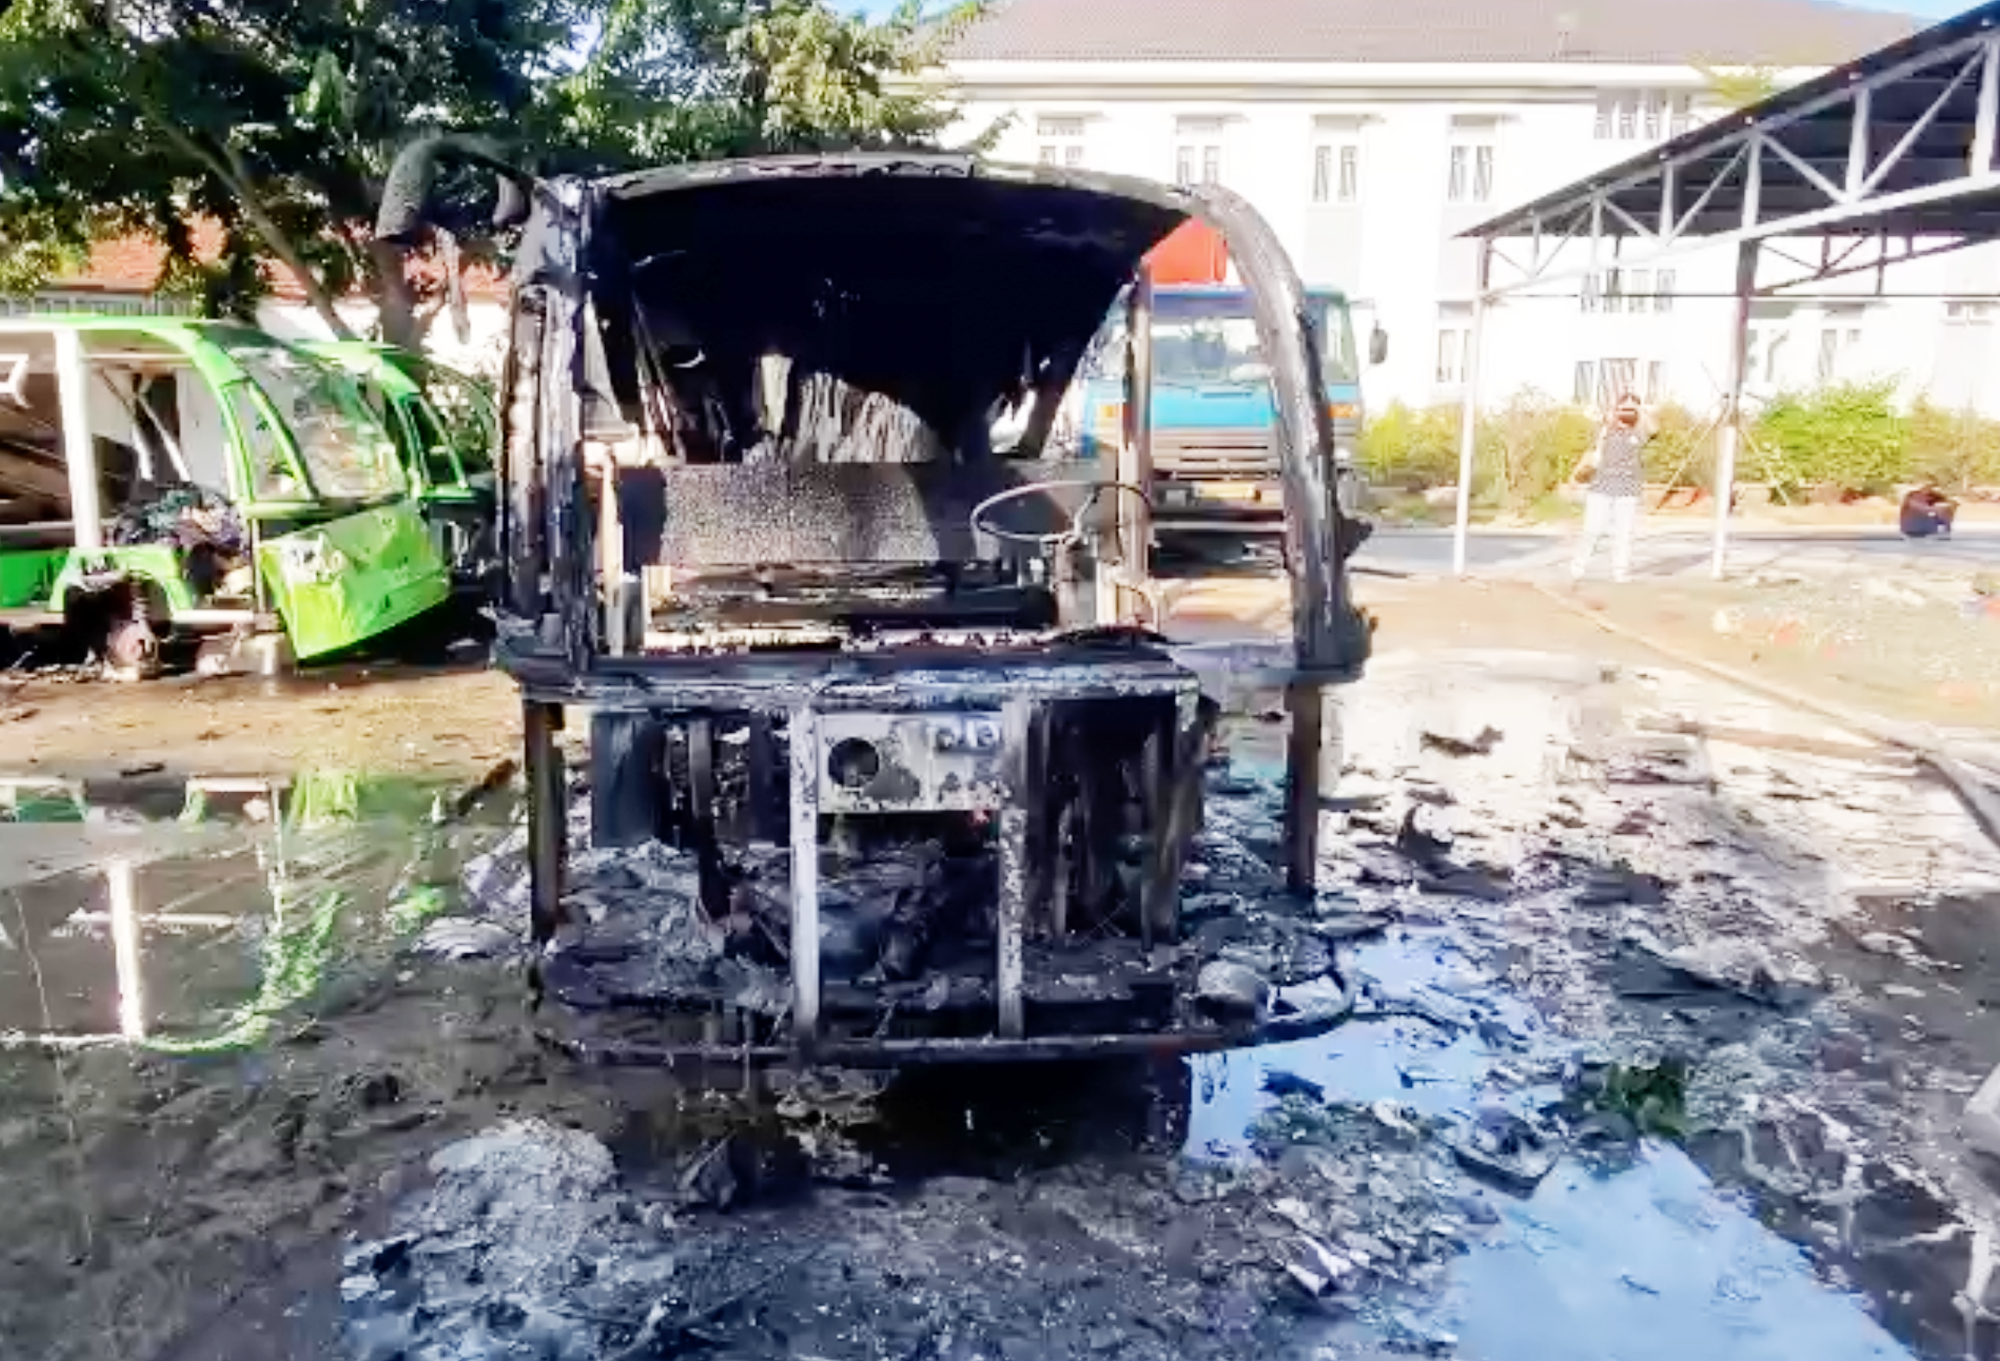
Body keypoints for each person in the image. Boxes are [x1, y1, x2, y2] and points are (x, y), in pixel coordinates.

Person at [1570, 391, 1653, 584]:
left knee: (1624, 532)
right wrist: (1574, 476)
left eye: (1632, 408)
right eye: (1624, 407)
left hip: (1628, 489)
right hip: (1601, 487)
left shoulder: (1638, 433)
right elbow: (1590, 452)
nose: (1628, 412)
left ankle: (1620, 571)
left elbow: (1654, 429)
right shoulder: (1605, 430)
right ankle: (1579, 564)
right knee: (1593, 530)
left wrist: (1641, 411)